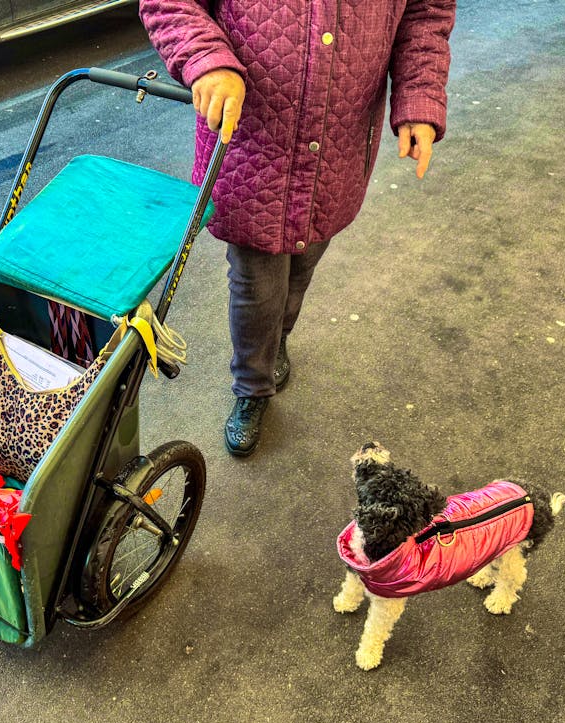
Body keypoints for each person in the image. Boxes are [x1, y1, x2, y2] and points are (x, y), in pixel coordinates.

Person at [139, 0, 456, 456]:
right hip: (252, 142)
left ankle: (277, 341)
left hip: (338, 144)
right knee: (257, 282)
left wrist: (419, 97)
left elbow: (426, 12)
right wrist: (205, 57)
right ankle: (252, 386)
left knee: (303, 263)